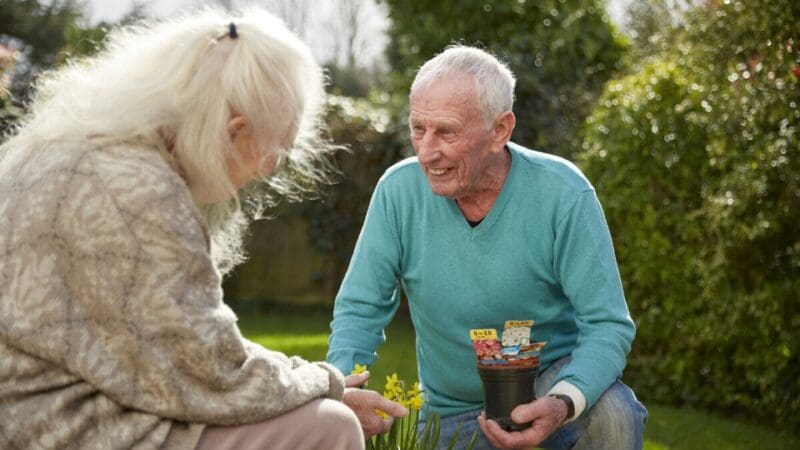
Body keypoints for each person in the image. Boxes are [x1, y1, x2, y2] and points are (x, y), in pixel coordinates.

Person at [0, 7, 406, 450]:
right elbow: (212, 372)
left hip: (36, 407)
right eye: (275, 153)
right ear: (234, 130)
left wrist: (301, 377)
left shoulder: (74, 154)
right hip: (53, 425)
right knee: (329, 424)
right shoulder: (136, 189)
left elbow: (191, 344)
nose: (268, 171)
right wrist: (327, 384)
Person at [327, 45, 648, 450]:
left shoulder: (562, 194)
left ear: (500, 130)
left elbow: (608, 325)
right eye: (417, 128)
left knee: (614, 416)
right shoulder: (398, 192)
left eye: (446, 131)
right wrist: (342, 385)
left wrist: (563, 402)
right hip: (449, 413)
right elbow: (360, 306)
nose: (426, 152)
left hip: (548, 396)